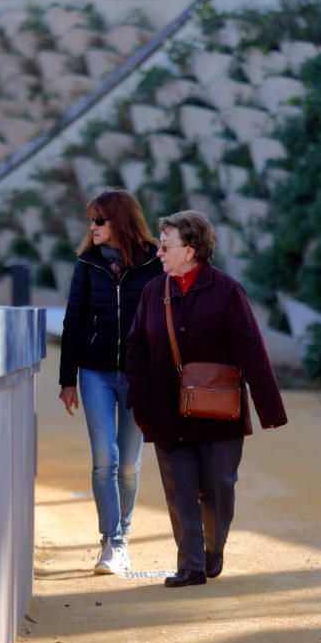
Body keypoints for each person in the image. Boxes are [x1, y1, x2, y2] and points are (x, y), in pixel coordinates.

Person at [125, 210, 287, 588]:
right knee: (180, 488)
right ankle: (191, 564)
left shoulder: (228, 290)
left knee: (218, 484)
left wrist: (270, 408)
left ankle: (213, 549)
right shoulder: (153, 292)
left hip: (220, 411)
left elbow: (251, 349)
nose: (159, 253)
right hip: (165, 410)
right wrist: (139, 400)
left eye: (166, 246)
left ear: (193, 249)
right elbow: (135, 348)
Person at [59, 188, 162, 574]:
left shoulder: (154, 262)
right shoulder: (88, 264)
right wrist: (67, 379)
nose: (92, 226)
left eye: (99, 219)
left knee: (129, 465)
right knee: (105, 458)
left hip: (140, 375)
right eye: (90, 219)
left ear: (121, 220)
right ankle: (112, 543)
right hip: (95, 372)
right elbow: (73, 322)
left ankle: (124, 533)